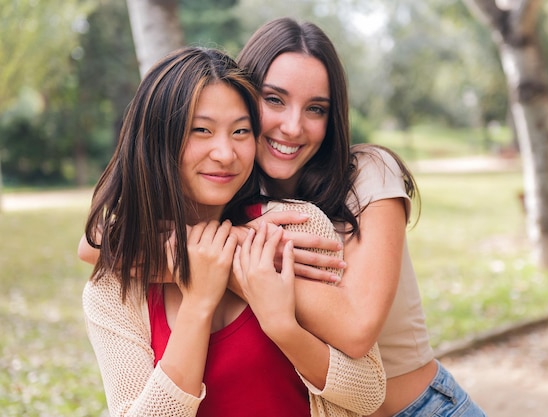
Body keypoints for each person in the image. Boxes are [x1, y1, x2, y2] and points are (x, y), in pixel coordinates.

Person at [81, 46, 385, 417]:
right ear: (157, 141)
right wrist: (197, 304)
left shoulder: (295, 228)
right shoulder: (112, 291)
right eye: (201, 130)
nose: (225, 153)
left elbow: (369, 393)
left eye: (240, 131)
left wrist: (282, 326)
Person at [232, 17, 487, 417]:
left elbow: (356, 330)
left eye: (315, 108)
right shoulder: (231, 193)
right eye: (275, 99)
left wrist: (236, 258)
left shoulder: (369, 172)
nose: (294, 126)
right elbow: (99, 243)